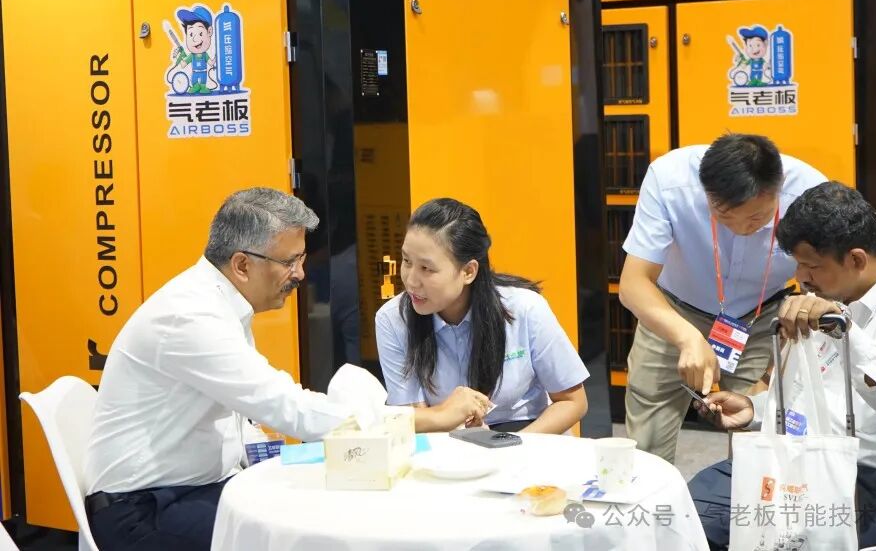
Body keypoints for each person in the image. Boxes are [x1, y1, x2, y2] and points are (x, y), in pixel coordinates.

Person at [84, 188, 352, 550]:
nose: (300, 274)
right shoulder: (191, 316)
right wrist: (399, 421)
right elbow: (285, 405)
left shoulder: (217, 302)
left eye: (301, 258)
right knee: (297, 538)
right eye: (290, 262)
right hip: (143, 510)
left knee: (312, 512)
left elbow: (248, 411)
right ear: (242, 265)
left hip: (191, 489)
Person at [688, 181, 876, 549]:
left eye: (811, 266)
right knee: (688, 513)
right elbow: (806, 394)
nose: (802, 277)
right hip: (795, 460)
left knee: (791, 536)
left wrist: (844, 331)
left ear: (856, 259)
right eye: (798, 264)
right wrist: (754, 409)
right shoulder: (821, 295)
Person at [619, 133, 825, 462]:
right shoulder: (669, 180)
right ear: (706, 191)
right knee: (647, 439)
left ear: (779, 188)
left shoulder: (810, 192)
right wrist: (687, 337)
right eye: (724, 215)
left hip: (760, 317)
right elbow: (633, 284)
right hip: (672, 311)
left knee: (757, 432)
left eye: (757, 218)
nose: (741, 228)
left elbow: (827, 275)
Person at [376, 198, 589, 434]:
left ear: (468, 271)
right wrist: (446, 414)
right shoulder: (393, 320)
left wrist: (513, 445)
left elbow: (573, 402)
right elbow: (411, 418)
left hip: (529, 434)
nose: (411, 281)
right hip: (446, 440)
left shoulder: (525, 308)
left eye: (426, 268)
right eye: (407, 261)